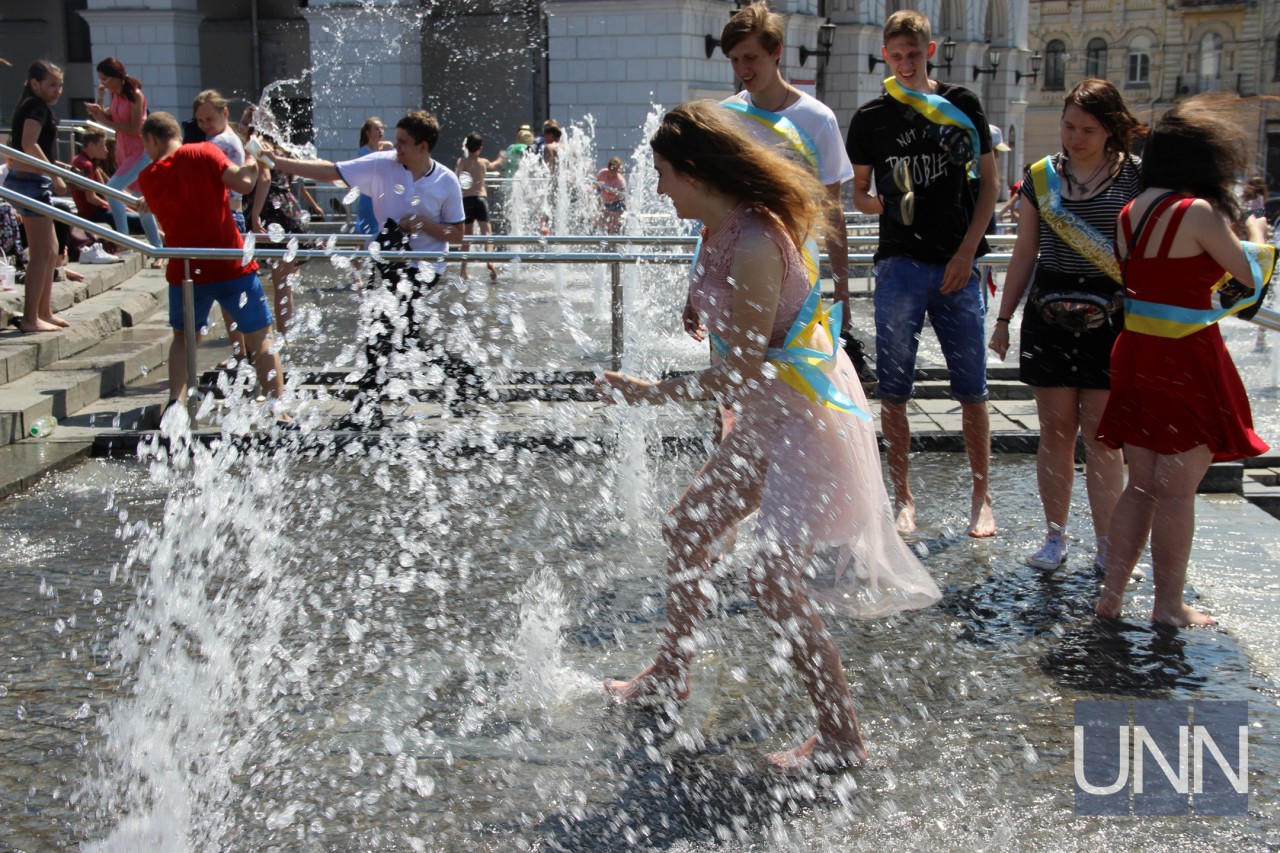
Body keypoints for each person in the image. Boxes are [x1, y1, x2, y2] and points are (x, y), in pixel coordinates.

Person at [594, 101, 941, 772]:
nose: (657, 186)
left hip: (804, 420)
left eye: (664, 173)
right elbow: (736, 319)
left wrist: (647, 395)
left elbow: (739, 370)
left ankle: (843, 740)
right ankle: (671, 672)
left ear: (696, 171)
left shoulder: (755, 240)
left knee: (771, 578)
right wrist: (700, 302)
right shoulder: (719, 227)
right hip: (766, 413)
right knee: (690, 527)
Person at [1095, 94, 1272, 627]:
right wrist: (1259, 233)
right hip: (1185, 359)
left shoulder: (1131, 212)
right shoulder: (1195, 212)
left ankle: (1111, 598)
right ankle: (1168, 606)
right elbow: (1248, 275)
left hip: (1137, 353)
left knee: (1142, 485)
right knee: (1177, 492)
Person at [847, 9, 1000, 538]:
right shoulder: (870, 119)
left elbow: (989, 186)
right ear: (884, 57)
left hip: (957, 265)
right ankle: (903, 497)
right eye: (896, 55)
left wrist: (966, 253)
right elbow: (860, 194)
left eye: (914, 54)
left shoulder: (959, 105)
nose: (906, 63)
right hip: (899, 267)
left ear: (930, 51)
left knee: (973, 391)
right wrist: (886, 201)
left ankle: (982, 498)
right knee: (894, 391)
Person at [987, 80, 1144, 572]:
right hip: (1049, 309)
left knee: (1102, 437)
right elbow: (1025, 252)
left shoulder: (1137, 177)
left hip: (1111, 310)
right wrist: (1004, 318)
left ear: (1112, 129)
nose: (1075, 138)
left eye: (1088, 130)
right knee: (1055, 431)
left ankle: (1106, 543)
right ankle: (1055, 536)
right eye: (1068, 126)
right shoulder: (1041, 176)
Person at [268, 110, 465, 429]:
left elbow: (457, 235)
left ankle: (369, 407)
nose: (394, 147)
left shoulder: (446, 181)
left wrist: (423, 224)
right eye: (396, 140)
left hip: (424, 269)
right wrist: (279, 162)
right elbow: (330, 171)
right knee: (400, 336)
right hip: (388, 261)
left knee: (384, 331)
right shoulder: (381, 164)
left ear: (423, 147)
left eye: (403, 142)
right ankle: (460, 377)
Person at [716, 1, 873, 384]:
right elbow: (717, 208)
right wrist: (697, 288)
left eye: (750, 57)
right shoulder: (726, 116)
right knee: (731, 390)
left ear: (776, 52)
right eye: (735, 60)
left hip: (796, 276)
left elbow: (832, 213)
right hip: (734, 270)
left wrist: (843, 293)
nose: (742, 70)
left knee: (791, 389)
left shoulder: (817, 120)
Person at [133, 112, 287, 415]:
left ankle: (175, 407)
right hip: (229, 263)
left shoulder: (147, 177)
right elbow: (243, 184)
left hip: (186, 268)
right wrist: (254, 160)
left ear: (152, 139)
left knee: (184, 339)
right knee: (260, 337)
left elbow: (171, 202)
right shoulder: (203, 152)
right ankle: (278, 411)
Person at [4, 59, 67, 333]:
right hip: (31, 182)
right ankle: (31, 318)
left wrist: (58, 168)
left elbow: (24, 144)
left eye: (61, 85)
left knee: (52, 251)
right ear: (35, 84)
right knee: (41, 253)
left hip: (31, 179)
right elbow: (29, 144)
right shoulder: (35, 106)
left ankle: (44, 311)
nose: (58, 90)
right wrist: (54, 174)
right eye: (52, 84)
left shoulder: (32, 106)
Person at [85, 57, 163, 251]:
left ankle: (123, 239)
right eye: (101, 80)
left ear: (117, 76)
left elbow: (135, 128)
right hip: (124, 150)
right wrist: (100, 102)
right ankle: (158, 248)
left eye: (106, 79)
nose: (104, 83)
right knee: (139, 200)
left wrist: (105, 121)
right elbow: (111, 115)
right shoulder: (114, 93)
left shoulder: (136, 95)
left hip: (139, 151)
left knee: (113, 189)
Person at [247, 130, 308, 341]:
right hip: (290, 209)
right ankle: (286, 335)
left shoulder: (256, 144)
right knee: (284, 283)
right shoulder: (282, 149)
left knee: (269, 281)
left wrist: (255, 215)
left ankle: (272, 336)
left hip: (273, 214)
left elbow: (264, 177)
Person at [455, 132, 503, 280]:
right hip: (481, 199)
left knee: (467, 237)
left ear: (466, 147)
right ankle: (489, 259)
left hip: (467, 200)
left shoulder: (462, 161)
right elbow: (495, 165)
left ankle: (463, 270)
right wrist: (501, 157)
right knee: (487, 233)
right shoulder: (483, 162)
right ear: (480, 148)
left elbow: (456, 176)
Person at [355, 117, 394, 236]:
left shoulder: (386, 148)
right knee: (366, 234)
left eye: (382, 128)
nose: (380, 131)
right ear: (368, 133)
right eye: (376, 128)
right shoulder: (363, 151)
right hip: (369, 199)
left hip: (384, 197)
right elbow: (375, 164)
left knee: (382, 233)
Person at [595, 157, 627, 235]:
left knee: (613, 226)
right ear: (608, 168)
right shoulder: (602, 174)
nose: (612, 174)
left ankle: (614, 243)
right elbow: (597, 187)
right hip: (606, 203)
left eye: (615, 172)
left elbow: (623, 196)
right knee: (597, 221)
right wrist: (598, 202)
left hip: (617, 204)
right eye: (611, 171)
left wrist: (613, 191)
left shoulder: (620, 181)